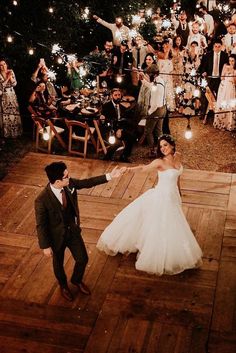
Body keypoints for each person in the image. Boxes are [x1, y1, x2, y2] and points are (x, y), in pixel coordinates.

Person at [97, 134, 203, 275]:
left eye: (165, 145)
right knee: (156, 225)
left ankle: (169, 251)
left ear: (172, 145)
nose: (163, 148)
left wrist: (179, 194)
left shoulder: (179, 156)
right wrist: (127, 170)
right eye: (160, 146)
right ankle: (154, 253)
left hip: (172, 197)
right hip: (160, 197)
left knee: (171, 225)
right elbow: (143, 168)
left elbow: (177, 178)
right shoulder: (159, 162)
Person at [35, 161, 126, 301]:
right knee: (58, 264)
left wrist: (110, 176)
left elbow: (87, 182)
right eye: (66, 176)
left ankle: (76, 280)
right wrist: (45, 246)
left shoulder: (69, 184)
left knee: (83, 258)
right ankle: (63, 285)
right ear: (58, 181)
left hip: (72, 231)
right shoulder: (41, 200)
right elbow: (41, 225)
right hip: (56, 237)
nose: (69, 177)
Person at [0, 59, 22, 138]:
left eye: (4, 64)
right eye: (1, 65)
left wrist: (10, 77)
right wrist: (7, 78)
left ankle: (15, 133)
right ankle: (7, 133)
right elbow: (1, 86)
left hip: (12, 95)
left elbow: (15, 83)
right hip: (4, 96)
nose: (3, 66)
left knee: (14, 113)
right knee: (6, 115)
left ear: (7, 65)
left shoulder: (11, 72)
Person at [213, 54, 236, 131]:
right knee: (222, 103)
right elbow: (222, 77)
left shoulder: (235, 69)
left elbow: (235, 82)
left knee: (230, 104)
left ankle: (229, 123)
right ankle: (221, 122)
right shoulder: (225, 65)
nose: (231, 62)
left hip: (231, 87)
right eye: (230, 60)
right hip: (223, 86)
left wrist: (233, 72)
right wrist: (226, 71)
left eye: (233, 61)